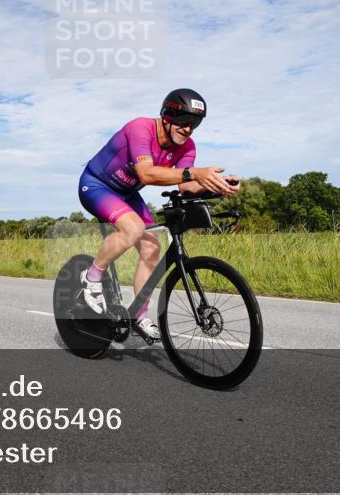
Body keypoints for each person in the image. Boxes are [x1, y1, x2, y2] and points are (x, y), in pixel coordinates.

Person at [77, 89, 238, 341]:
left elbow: (185, 187)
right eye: (184, 121)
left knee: (151, 247)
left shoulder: (187, 146)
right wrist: (195, 173)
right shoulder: (140, 128)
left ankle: (139, 316)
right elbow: (147, 174)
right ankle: (91, 277)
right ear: (167, 115)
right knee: (132, 229)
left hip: (127, 193)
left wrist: (215, 183)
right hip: (97, 185)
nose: (188, 129)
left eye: (195, 124)